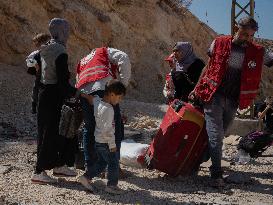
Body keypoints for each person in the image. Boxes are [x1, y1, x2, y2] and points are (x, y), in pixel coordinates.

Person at [189, 17, 273, 187]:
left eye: (250, 36)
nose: (246, 38)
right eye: (244, 34)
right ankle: (216, 175)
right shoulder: (219, 43)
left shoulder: (256, 51)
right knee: (216, 136)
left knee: (218, 135)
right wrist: (196, 88)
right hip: (214, 96)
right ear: (236, 28)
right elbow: (208, 67)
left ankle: (196, 161)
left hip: (234, 100)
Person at [31, 18, 89, 184]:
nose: (68, 34)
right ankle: (39, 171)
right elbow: (62, 82)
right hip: (53, 97)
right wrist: (80, 93)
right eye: (66, 30)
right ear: (61, 31)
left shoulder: (44, 48)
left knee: (52, 132)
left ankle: (58, 165)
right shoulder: (60, 51)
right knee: (50, 134)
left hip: (44, 95)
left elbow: (36, 74)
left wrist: (34, 100)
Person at [75, 47, 131, 177]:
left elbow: (78, 79)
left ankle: (91, 167)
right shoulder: (104, 51)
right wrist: (121, 87)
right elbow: (123, 57)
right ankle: (113, 167)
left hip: (85, 93)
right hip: (103, 88)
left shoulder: (82, 60)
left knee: (89, 129)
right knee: (114, 127)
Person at [78, 80, 126, 194]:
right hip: (106, 142)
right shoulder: (109, 110)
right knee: (113, 163)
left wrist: (83, 94)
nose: (120, 101)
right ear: (112, 94)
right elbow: (107, 131)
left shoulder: (98, 102)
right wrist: (113, 145)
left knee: (102, 163)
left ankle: (86, 177)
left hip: (98, 141)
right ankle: (111, 186)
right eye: (119, 98)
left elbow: (91, 99)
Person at [26, 33, 51, 114]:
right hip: (40, 75)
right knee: (36, 89)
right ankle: (34, 105)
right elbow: (29, 60)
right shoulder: (36, 53)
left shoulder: (51, 53)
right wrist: (35, 64)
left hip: (49, 76)